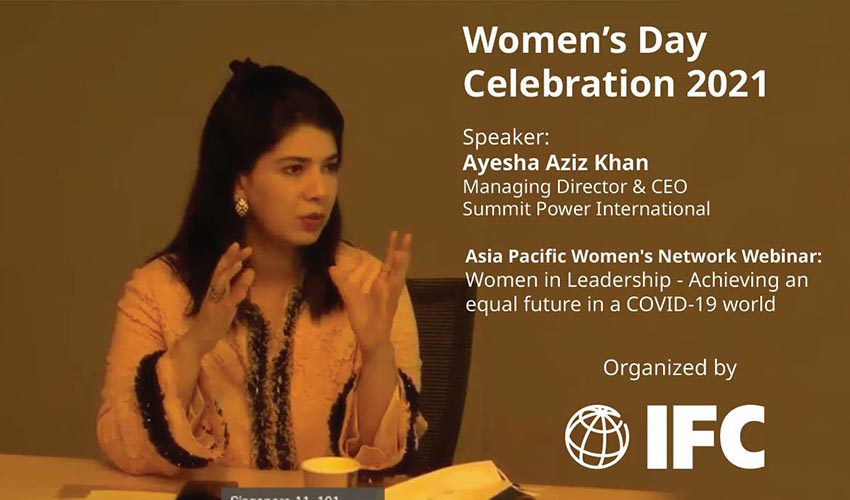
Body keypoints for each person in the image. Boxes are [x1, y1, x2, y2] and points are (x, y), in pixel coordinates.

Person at [96, 58, 427, 477]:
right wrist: (196, 342)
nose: (320, 191)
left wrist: (377, 351)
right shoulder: (158, 289)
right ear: (240, 181)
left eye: (329, 167)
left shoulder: (368, 284)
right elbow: (123, 444)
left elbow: (379, 466)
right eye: (294, 169)